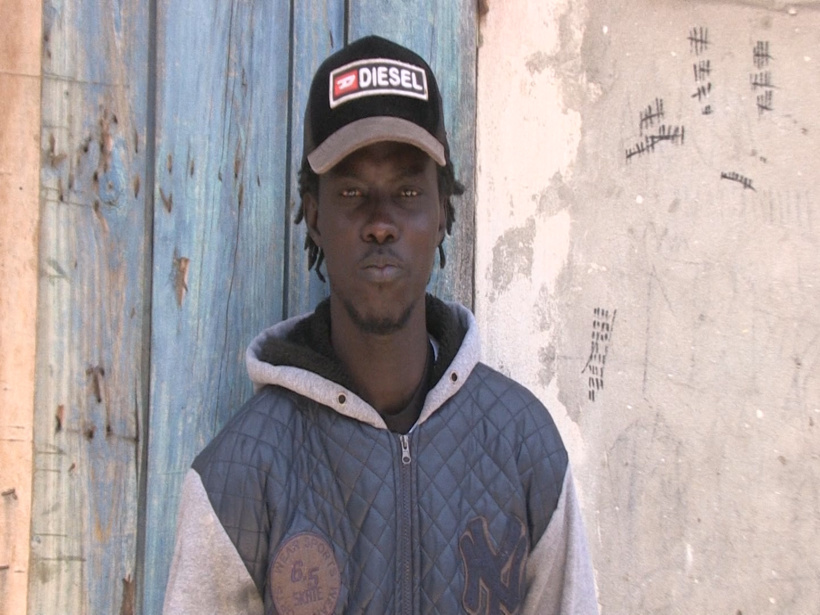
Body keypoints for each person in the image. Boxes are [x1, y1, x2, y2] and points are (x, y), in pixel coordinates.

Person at [163, 35, 598, 615]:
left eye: (408, 191)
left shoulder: (526, 448)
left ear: (443, 211)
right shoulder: (239, 475)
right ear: (314, 216)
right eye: (351, 193)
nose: (380, 224)